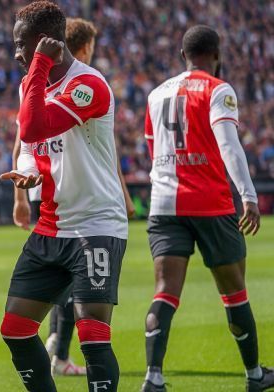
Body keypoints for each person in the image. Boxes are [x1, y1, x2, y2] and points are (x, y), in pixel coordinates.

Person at [0, 2, 128, 391]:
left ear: (45, 43)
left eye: (22, 45)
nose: (17, 53)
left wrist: (38, 64)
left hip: (96, 226)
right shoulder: (30, 83)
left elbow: (35, 126)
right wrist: (28, 170)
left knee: (92, 337)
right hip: (51, 227)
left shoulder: (88, 84)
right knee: (15, 329)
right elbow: (28, 143)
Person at [140, 25, 271, 392]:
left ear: (183, 55)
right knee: (234, 291)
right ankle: (254, 376)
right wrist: (247, 195)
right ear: (216, 56)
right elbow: (229, 145)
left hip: (164, 203)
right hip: (210, 203)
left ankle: (153, 377)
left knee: (165, 290)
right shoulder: (218, 89)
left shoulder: (155, 94)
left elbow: (152, 150)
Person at [42, 16, 137, 377]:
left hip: (45, 186)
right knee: (75, 276)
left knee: (65, 273)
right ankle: (61, 349)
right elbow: (104, 152)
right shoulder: (84, 82)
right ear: (84, 47)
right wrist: (123, 194)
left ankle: (57, 342)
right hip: (74, 192)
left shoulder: (48, 86)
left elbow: (26, 133)